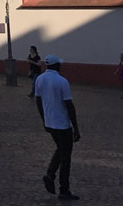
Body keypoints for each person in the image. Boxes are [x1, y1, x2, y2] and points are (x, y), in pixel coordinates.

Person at [35, 54, 81, 201]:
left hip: (50, 123)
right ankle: (63, 189)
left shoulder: (39, 79)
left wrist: (44, 120)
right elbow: (69, 105)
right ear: (56, 66)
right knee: (66, 157)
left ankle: (50, 174)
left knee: (60, 150)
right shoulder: (62, 81)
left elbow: (38, 100)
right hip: (62, 124)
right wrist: (76, 128)